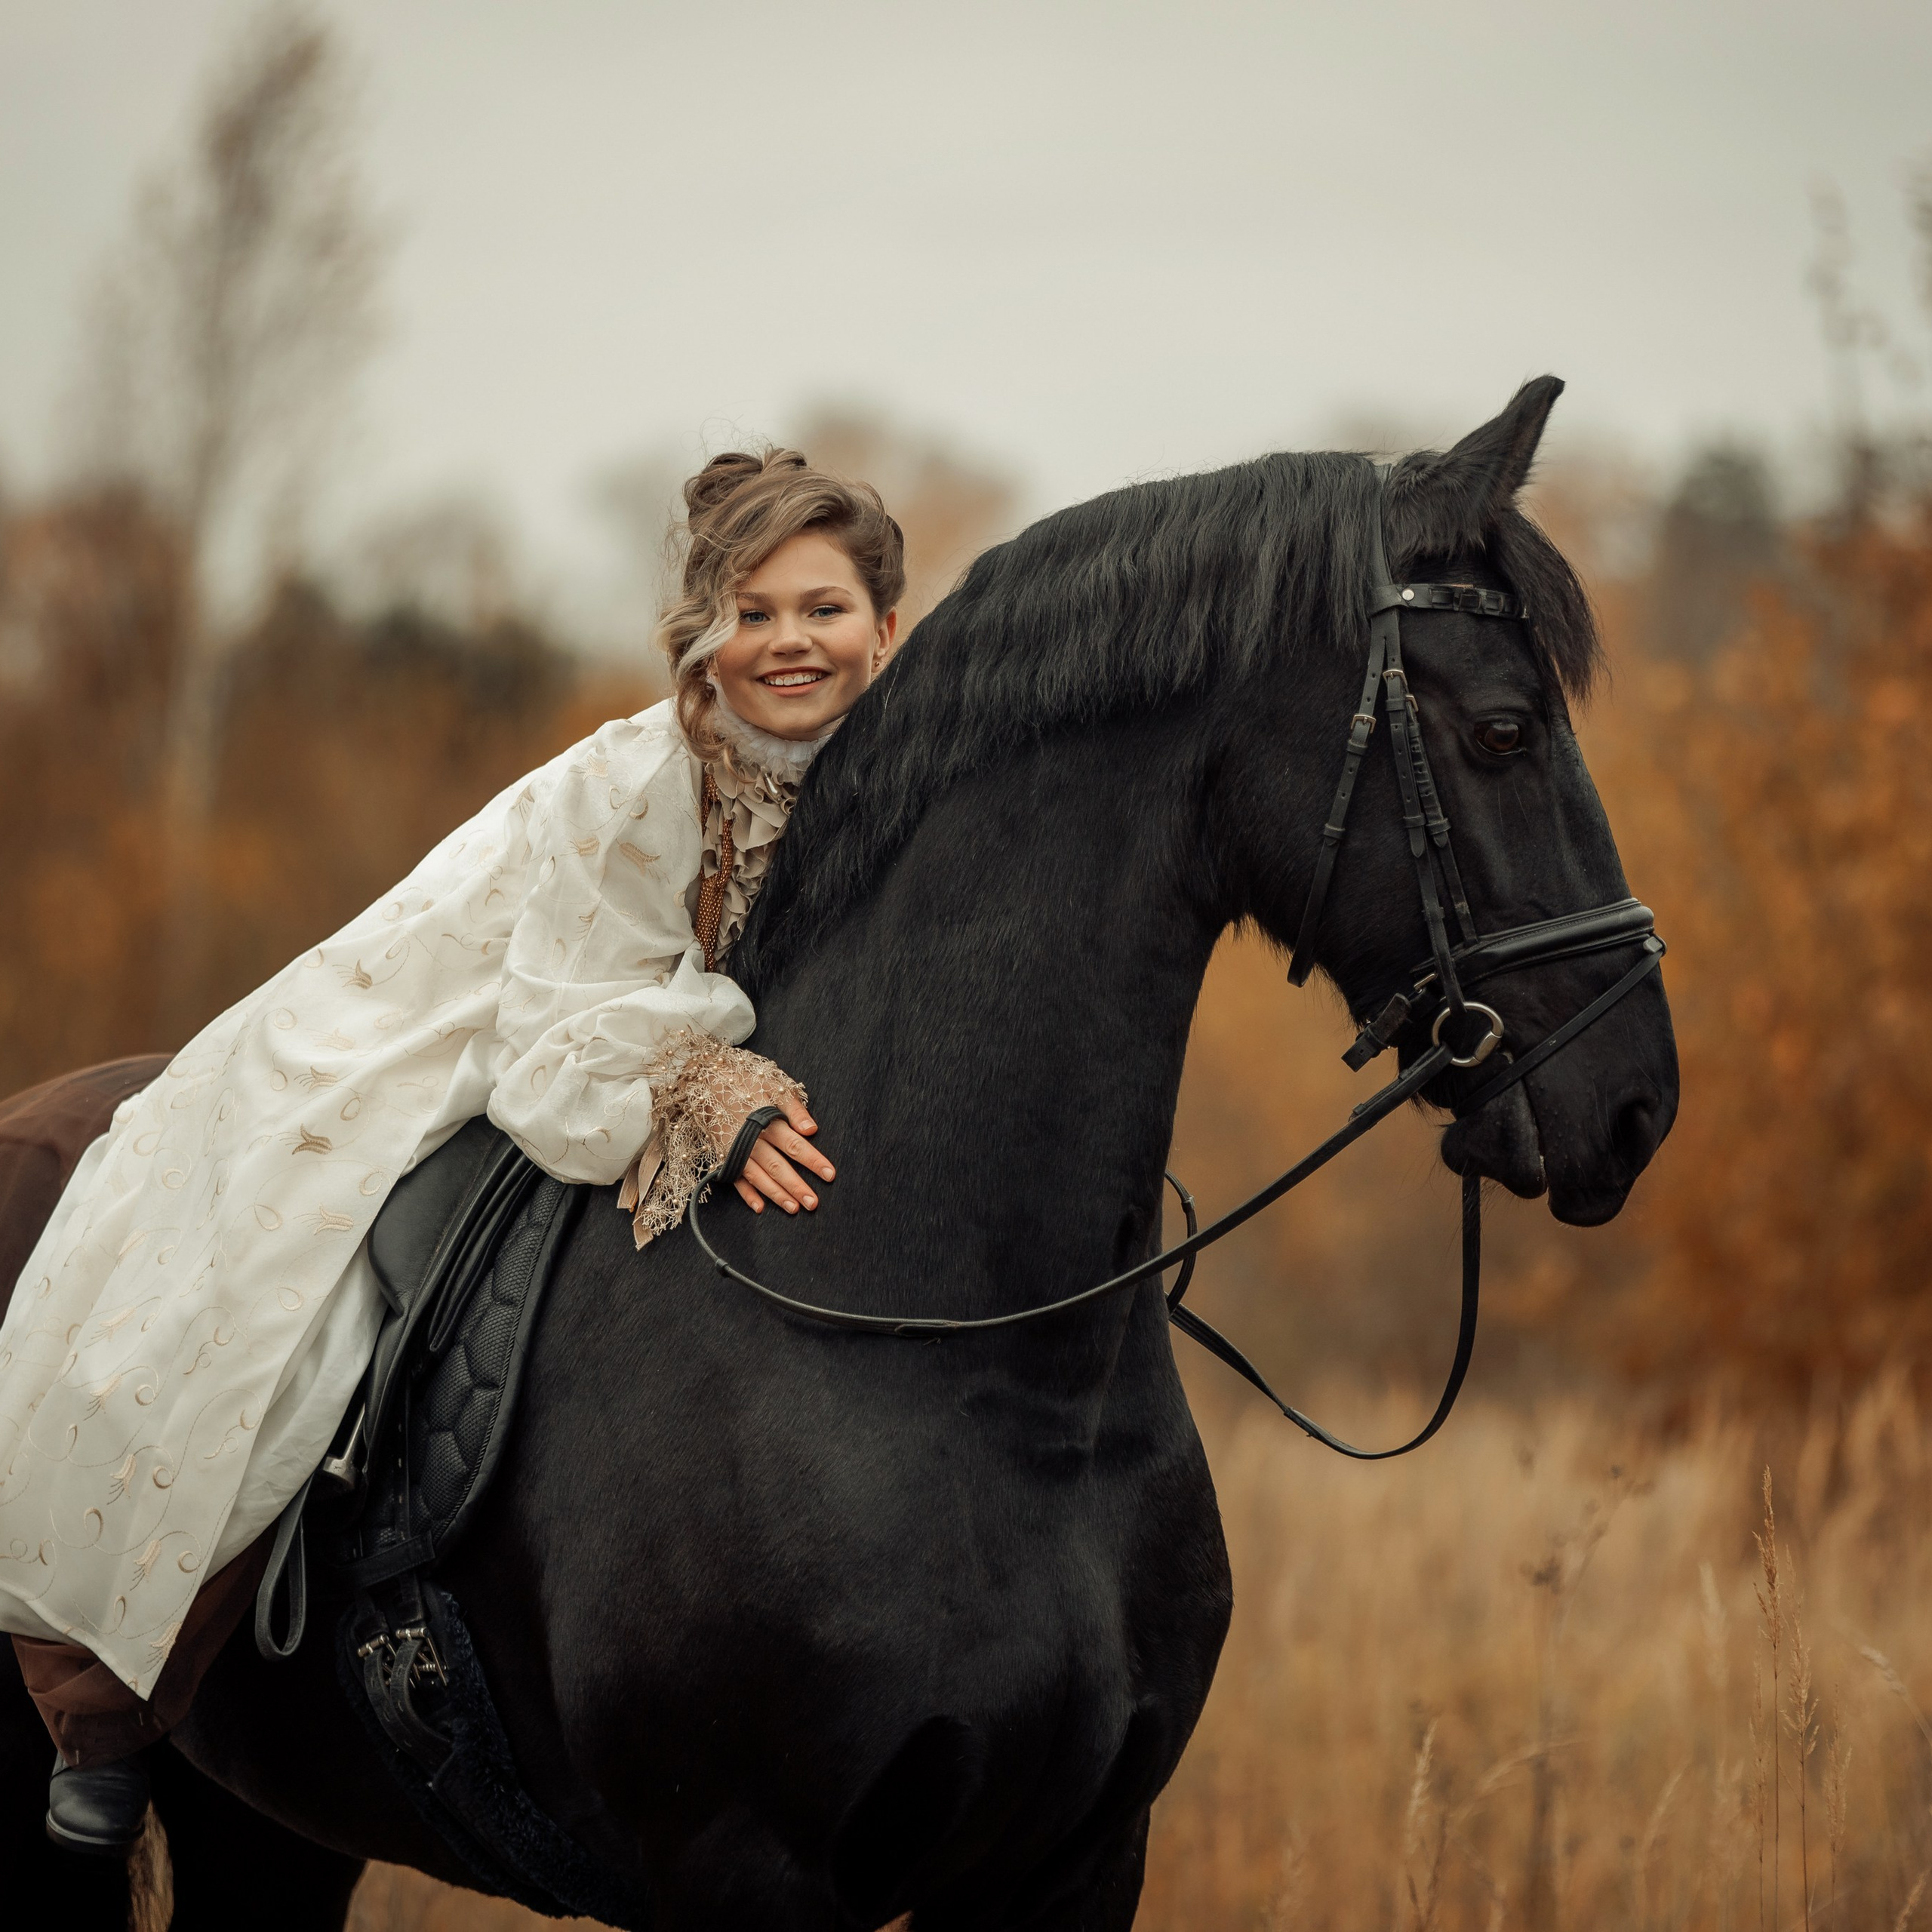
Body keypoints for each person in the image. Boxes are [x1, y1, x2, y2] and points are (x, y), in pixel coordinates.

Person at [0, 448, 902, 1854]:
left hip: (598, 1010)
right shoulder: (643, 784)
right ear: (703, 634)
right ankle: (108, 1698)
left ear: (885, 629)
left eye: (824, 608)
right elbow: (564, 1030)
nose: (790, 640)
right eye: (754, 609)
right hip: (464, 1012)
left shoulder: (897, 775)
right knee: (281, 1296)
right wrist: (706, 1098)